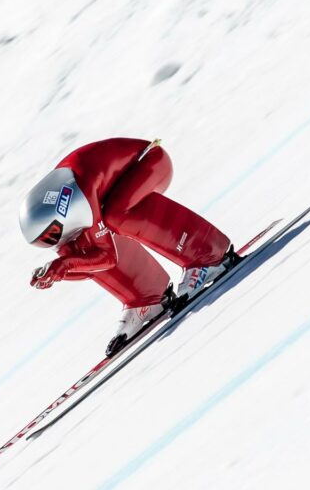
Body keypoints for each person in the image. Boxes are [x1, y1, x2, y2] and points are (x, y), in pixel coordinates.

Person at [19, 137, 239, 355]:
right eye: (48, 242)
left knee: (115, 214)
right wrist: (57, 271)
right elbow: (84, 264)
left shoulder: (81, 195)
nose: (54, 243)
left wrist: (64, 265)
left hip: (150, 161)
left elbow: (106, 257)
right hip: (121, 183)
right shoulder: (62, 208)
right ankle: (145, 298)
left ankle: (207, 254)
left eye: (53, 236)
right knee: (82, 243)